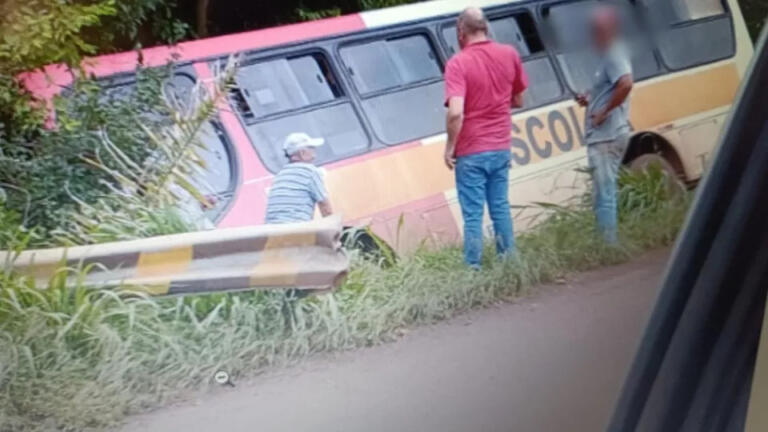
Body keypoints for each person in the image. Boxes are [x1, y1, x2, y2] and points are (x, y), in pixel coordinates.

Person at [444, 7, 528, 268]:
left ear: (460, 32)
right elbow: (518, 99)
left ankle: (474, 270)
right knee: (500, 207)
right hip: (501, 146)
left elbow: (456, 113)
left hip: (471, 151)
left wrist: (449, 147)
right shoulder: (509, 54)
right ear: (486, 27)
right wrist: (494, 103)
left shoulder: (458, 63)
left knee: (473, 215)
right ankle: (509, 263)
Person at [574, 6, 634, 244]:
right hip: (602, 135)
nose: (593, 35)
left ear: (609, 30)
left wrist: (603, 112)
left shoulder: (614, 53)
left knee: (605, 191)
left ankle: (609, 245)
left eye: (597, 30)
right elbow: (612, 87)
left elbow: (626, 84)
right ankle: (605, 241)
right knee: (601, 191)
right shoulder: (607, 55)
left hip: (607, 135)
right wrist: (590, 100)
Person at [264, 132, 333, 224]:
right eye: (311, 148)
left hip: (271, 230)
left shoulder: (280, 175)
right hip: (296, 229)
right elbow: (325, 208)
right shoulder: (310, 172)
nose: (315, 151)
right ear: (302, 153)